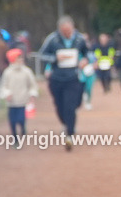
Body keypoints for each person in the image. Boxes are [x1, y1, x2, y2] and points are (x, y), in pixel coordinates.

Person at [38, 15, 90, 150]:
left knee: (71, 106)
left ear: (73, 27)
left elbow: (88, 53)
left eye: (69, 30)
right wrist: (55, 58)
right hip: (56, 78)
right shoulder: (52, 39)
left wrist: (85, 60)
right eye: (64, 31)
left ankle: (70, 135)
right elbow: (42, 55)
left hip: (73, 77)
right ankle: (65, 123)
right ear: (60, 29)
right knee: (60, 106)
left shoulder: (80, 39)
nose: (67, 33)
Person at [0, 48, 38, 138]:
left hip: (22, 101)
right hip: (11, 102)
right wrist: (7, 93)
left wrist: (32, 94)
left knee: (21, 119)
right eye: (18, 58)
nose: (21, 60)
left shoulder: (27, 71)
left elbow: (32, 85)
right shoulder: (7, 72)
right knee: (12, 121)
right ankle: (15, 138)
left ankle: (23, 129)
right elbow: (4, 86)